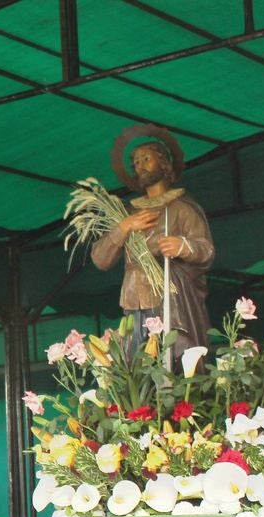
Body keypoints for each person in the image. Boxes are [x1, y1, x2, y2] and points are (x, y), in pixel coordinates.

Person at [91, 126, 215, 357]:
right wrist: (124, 227)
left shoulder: (181, 208)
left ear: (164, 164)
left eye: (146, 159)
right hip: (135, 297)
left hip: (173, 295)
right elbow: (100, 258)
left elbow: (206, 250)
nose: (140, 166)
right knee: (139, 360)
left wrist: (183, 246)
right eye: (136, 163)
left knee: (176, 353)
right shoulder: (127, 214)